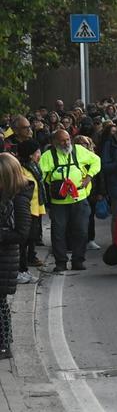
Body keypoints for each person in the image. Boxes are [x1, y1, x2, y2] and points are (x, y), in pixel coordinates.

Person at [39, 129, 101, 273]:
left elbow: (96, 161)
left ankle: (78, 260)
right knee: (58, 233)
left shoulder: (78, 150)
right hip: (58, 202)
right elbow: (40, 173)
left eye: (68, 139)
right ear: (54, 142)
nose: (66, 143)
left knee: (81, 231)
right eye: (62, 140)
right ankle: (60, 262)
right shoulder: (48, 156)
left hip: (79, 198)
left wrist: (89, 176)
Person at [0, 153, 34, 359]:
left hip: (6, 257)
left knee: (1, 302)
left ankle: (4, 345)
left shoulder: (19, 198)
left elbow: (22, 234)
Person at [16, 141, 45, 283]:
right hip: (25, 211)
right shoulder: (21, 169)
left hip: (35, 209)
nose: (39, 154)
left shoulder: (35, 167)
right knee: (22, 243)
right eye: (37, 152)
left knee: (29, 240)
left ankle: (24, 269)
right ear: (30, 155)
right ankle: (20, 271)